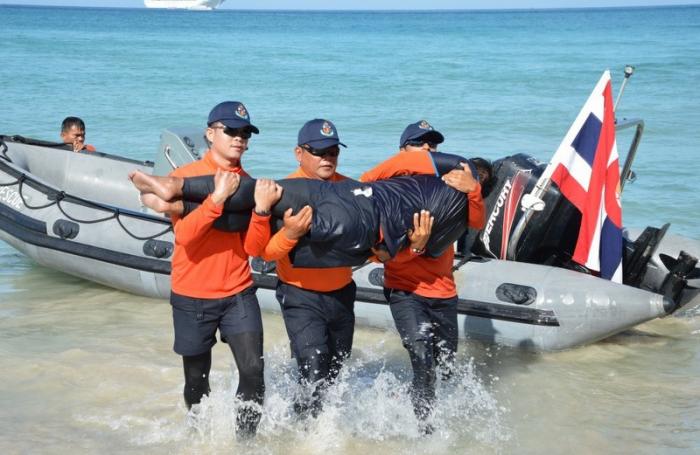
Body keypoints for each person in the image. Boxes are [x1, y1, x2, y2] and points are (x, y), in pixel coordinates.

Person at [146, 101, 279, 440]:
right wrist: (216, 200)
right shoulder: (185, 180)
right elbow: (186, 236)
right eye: (231, 130)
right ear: (210, 133)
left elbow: (253, 248)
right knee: (196, 380)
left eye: (246, 133)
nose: (239, 138)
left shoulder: (249, 184)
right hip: (192, 295)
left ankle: (245, 443)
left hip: (238, 292)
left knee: (253, 372)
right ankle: (199, 436)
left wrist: (262, 212)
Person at [359, 120, 487, 434]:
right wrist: (415, 248)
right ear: (403, 149)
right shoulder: (387, 186)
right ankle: (424, 434)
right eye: (420, 143)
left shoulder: (448, 188)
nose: (429, 149)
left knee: (444, 368)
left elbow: (476, 221)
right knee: (422, 360)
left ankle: (411, 404)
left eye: (433, 144)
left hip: (443, 292)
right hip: (405, 290)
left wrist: (473, 189)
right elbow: (376, 244)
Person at [244, 119, 356, 418]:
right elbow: (261, 252)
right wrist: (290, 234)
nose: (327, 158)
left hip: (343, 294)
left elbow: (367, 243)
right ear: (299, 153)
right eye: (319, 152)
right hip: (301, 296)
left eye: (333, 151)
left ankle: (322, 432)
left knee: (335, 370)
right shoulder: (283, 193)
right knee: (312, 366)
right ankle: (303, 434)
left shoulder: (351, 189)